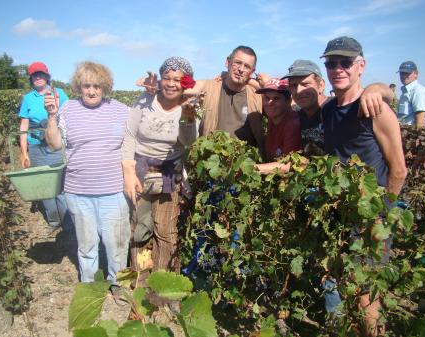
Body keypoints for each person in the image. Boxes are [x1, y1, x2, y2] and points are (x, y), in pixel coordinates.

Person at [320, 36, 407, 336]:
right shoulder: (328, 110)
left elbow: (399, 170)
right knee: (333, 279)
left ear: (361, 66)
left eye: (345, 62)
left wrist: (380, 216)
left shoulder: (376, 109)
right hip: (338, 215)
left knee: (365, 293)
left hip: (371, 219)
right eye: (332, 63)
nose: (338, 69)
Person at [44, 61, 130, 288]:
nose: (91, 91)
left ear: (105, 87)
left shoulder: (121, 110)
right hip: (78, 192)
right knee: (87, 245)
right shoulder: (67, 110)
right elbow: (53, 144)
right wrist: (51, 116)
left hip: (113, 192)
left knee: (117, 245)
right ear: (78, 87)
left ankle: (119, 286)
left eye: (97, 86)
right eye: (86, 86)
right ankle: (89, 287)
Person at [122, 57, 198, 273]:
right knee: (140, 228)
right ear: (160, 79)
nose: (171, 83)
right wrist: (129, 173)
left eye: (177, 80)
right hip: (141, 170)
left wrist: (187, 118)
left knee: (166, 232)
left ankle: (163, 281)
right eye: (167, 78)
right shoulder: (145, 101)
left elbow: (188, 142)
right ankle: (141, 278)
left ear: (185, 84)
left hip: (169, 173)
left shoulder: (189, 106)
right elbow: (129, 136)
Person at [137, 46, 265, 158]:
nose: (241, 69)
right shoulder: (209, 87)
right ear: (227, 62)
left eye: (247, 66)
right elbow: (180, 86)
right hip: (208, 165)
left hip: (246, 169)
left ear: (252, 71)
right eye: (237, 63)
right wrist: (157, 84)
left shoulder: (258, 96)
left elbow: (282, 99)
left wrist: (254, 82)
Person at [18, 61, 71, 230]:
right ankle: (54, 220)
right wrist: (24, 151)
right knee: (44, 185)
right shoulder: (28, 99)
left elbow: (68, 116)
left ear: (47, 76)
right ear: (31, 78)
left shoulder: (59, 93)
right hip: (36, 146)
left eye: (41, 74)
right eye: (34, 75)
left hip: (55, 144)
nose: (38, 77)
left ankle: (67, 221)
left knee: (60, 183)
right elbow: (24, 126)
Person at [254, 78, 302, 174]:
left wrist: (248, 168)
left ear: (289, 101)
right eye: (267, 98)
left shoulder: (293, 124)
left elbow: (287, 165)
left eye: (276, 98)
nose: (269, 103)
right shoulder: (273, 119)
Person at [397, 61, 425, 128]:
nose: (404, 76)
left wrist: (416, 137)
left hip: (410, 136)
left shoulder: (418, 91)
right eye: (402, 73)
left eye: (407, 73)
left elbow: (420, 122)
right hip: (403, 133)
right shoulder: (406, 92)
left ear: (416, 74)